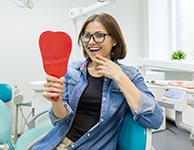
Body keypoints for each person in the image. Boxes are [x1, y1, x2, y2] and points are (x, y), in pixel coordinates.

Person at [32, 13, 163, 150]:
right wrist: (56, 100)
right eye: (86, 36)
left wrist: (119, 77)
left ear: (115, 40)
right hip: (57, 142)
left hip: (93, 145)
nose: (91, 41)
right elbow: (60, 120)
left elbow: (154, 119)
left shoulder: (130, 75)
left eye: (99, 35)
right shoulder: (72, 71)